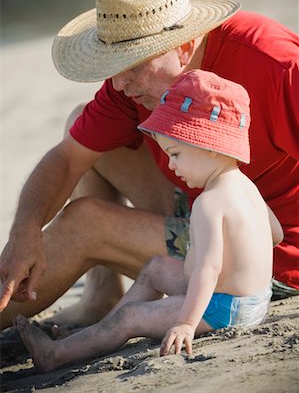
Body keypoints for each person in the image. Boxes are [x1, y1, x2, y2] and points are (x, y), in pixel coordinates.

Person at [0, 0, 298, 331]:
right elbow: (67, 159)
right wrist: (23, 230)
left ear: (185, 45)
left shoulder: (275, 64)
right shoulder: (129, 87)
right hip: (201, 208)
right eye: (113, 64)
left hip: (261, 260)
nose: (119, 82)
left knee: (85, 224)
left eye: (132, 65)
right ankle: (100, 297)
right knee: (81, 123)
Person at [15, 70, 283, 372]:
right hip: (252, 298)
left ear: (209, 146)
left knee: (131, 319)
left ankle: (55, 354)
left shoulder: (209, 203)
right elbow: (275, 233)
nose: (171, 165)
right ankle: (98, 332)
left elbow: (208, 271)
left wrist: (185, 323)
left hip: (221, 309)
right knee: (155, 268)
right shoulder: (246, 187)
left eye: (176, 154)